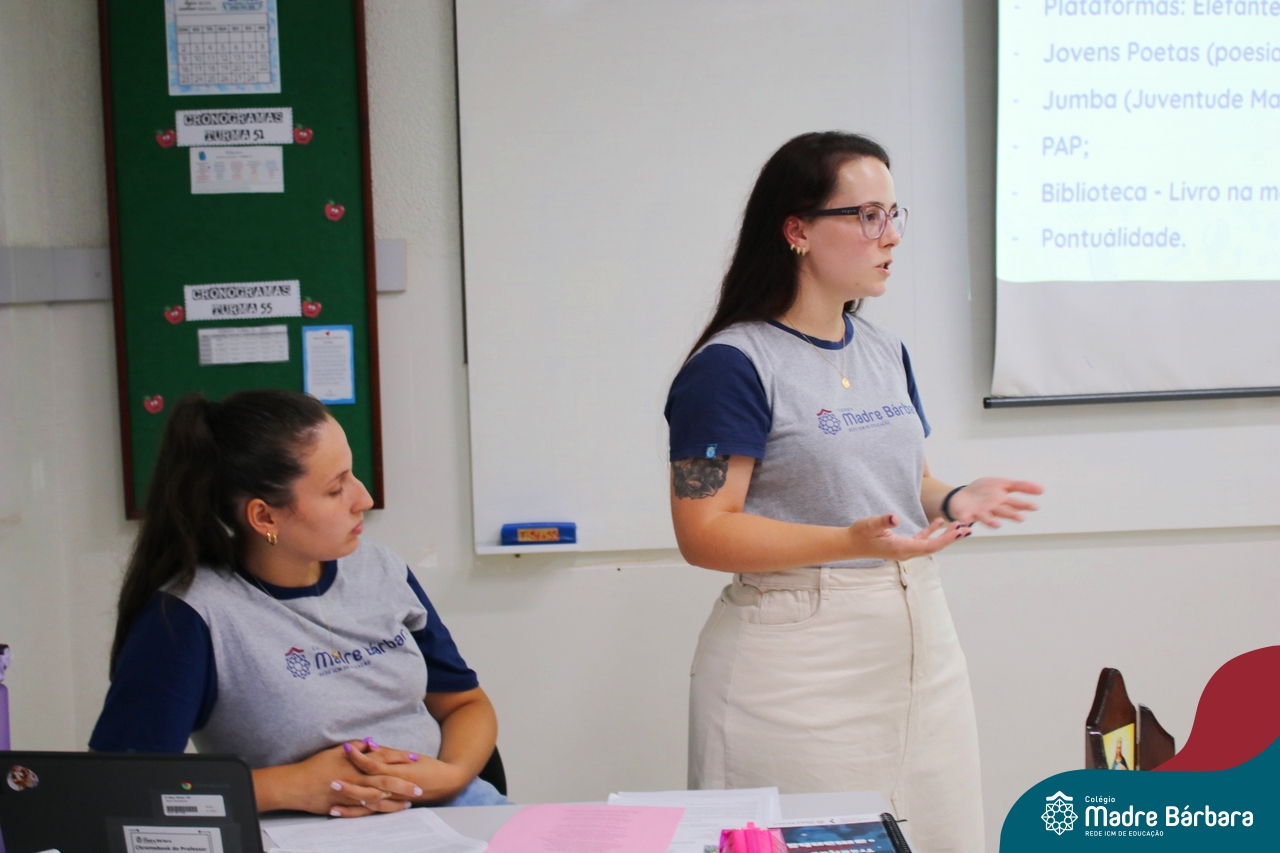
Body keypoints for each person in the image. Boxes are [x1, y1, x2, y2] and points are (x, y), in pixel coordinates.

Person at [665, 132, 1043, 853]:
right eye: (868, 216)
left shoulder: (883, 349)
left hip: (920, 646)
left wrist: (953, 498)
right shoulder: (731, 366)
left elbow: (905, 481)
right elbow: (704, 531)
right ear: (798, 230)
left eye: (895, 214)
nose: (891, 236)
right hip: (797, 666)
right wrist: (846, 541)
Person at [90, 389, 504, 816]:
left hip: (450, 809)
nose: (363, 498)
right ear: (265, 517)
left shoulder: (381, 569)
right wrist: (286, 787)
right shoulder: (190, 617)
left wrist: (450, 776)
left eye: (353, 474)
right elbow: (123, 786)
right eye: (336, 488)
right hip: (307, 834)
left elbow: (465, 704)